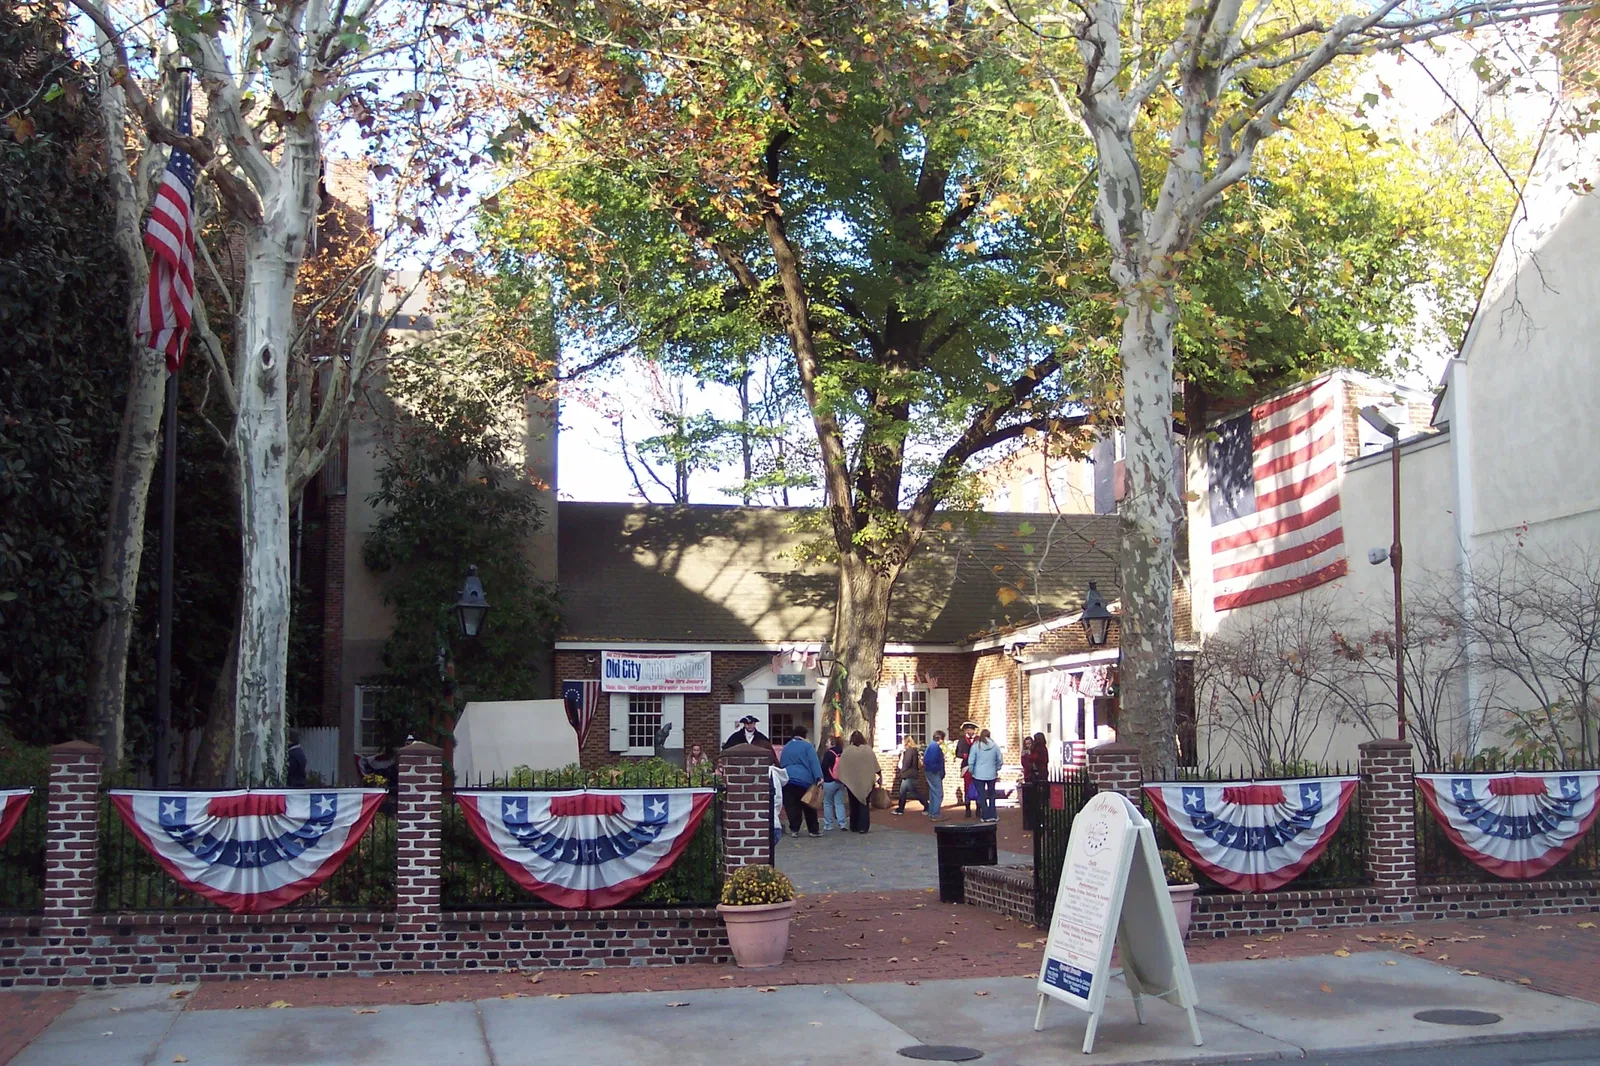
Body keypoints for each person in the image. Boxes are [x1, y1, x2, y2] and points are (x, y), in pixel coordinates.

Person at [779, 726, 824, 837]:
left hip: (788, 779)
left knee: (792, 806)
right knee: (809, 806)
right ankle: (813, 830)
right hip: (805, 780)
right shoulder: (807, 746)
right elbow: (814, 762)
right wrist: (819, 777)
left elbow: (782, 763)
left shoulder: (786, 747)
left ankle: (794, 829)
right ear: (804, 735)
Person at [836, 731, 879, 834]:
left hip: (851, 782)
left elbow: (841, 766)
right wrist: (879, 775)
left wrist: (844, 779)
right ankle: (863, 827)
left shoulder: (847, 751)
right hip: (866, 781)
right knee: (864, 804)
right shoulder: (868, 750)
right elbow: (875, 765)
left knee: (853, 804)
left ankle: (854, 826)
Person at [969, 728, 1003, 822]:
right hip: (991, 774)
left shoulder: (976, 746)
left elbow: (971, 760)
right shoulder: (995, 746)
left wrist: (972, 771)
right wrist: (996, 768)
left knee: (982, 795)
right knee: (992, 794)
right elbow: (1000, 760)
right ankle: (993, 815)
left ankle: (985, 816)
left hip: (978, 774)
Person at [1020, 731, 1049, 829]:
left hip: (1038, 775)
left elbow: (1033, 758)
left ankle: (1036, 821)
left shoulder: (1038, 749)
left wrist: (1027, 755)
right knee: (1040, 799)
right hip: (1041, 774)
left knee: (1036, 800)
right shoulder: (1043, 748)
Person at [820, 734, 847, 832]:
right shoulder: (842, 753)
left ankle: (829, 824)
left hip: (829, 781)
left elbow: (823, 767)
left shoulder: (828, 754)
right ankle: (842, 824)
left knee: (827, 803)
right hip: (840, 781)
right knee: (839, 803)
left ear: (832, 743)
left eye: (827, 742)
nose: (826, 744)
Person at [892, 735, 923, 815]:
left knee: (914, 792)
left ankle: (927, 806)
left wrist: (902, 771)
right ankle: (900, 809)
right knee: (902, 792)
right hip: (910, 774)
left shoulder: (909, 751)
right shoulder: (913, 751)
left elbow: (906, 764)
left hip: (908, 775)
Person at [954, 721, 978, 817]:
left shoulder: (978, 740)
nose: (969, 731)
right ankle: (967, 809)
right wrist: (963, 755)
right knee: (967, 787)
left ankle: (978, 808)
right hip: (966, 767)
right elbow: (957, 753)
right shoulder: (962, 741)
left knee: (977, 787)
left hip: (977, 767)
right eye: (967, 730)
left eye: (971, 729)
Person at [922, 730, 946, 819]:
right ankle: (935, 814)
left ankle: (932, 812)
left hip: (929, 771)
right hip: (933, 772)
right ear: (940, 739)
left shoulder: (930, 746)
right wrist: (937, 770)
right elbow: (932, 761)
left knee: (933, 792)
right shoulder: (935, 747)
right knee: (938, 793)